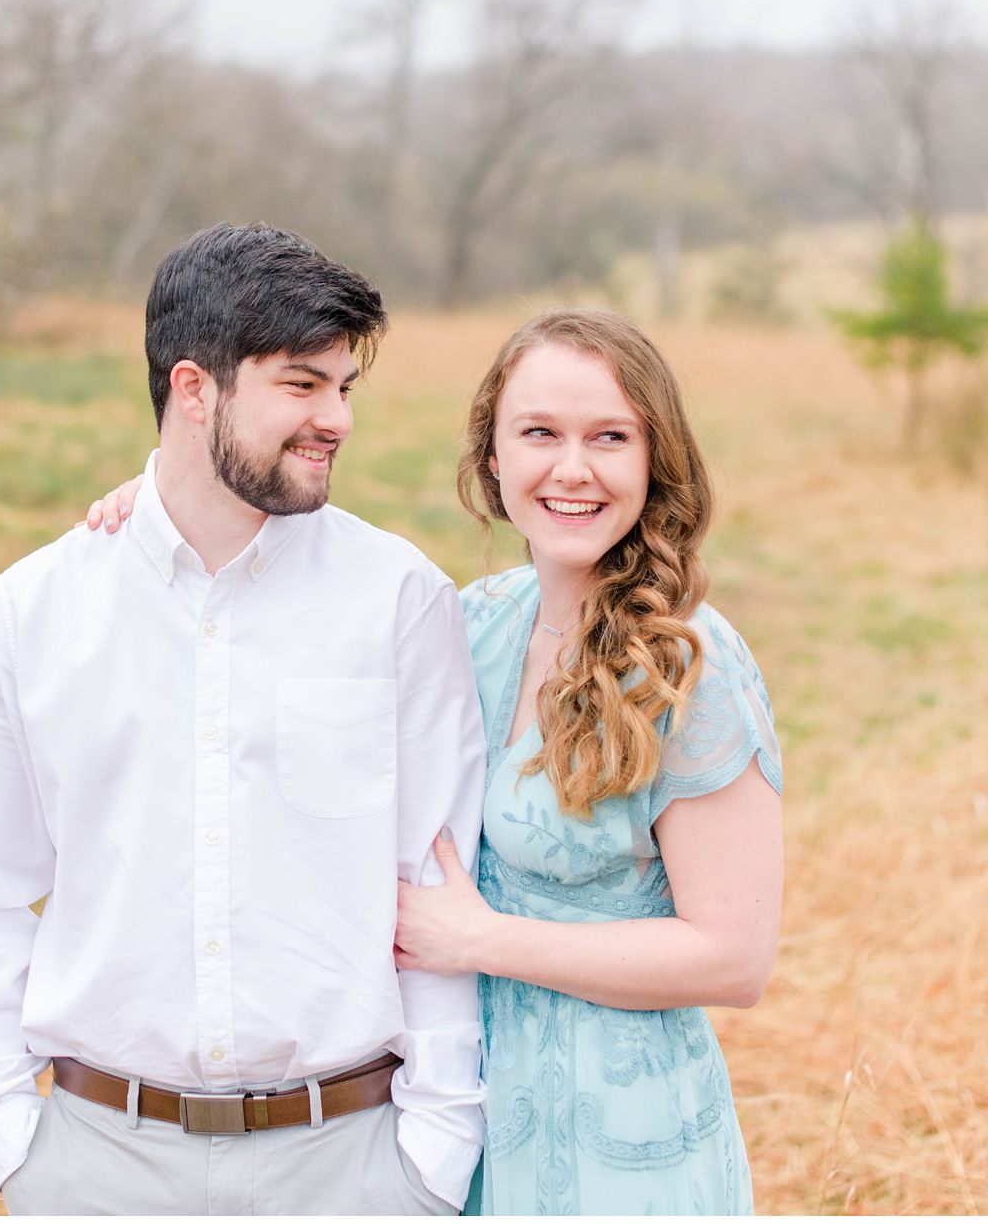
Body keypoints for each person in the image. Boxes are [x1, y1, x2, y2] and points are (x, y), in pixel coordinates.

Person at [89, 307, 783, 1215]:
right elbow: (307, 611)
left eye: (610, 437)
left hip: (623, 1141)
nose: (571, 469)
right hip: (454, 1125)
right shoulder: (474, 622)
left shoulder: (687, 662)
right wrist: (172, 507)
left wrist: (484, 941)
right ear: (492, 458)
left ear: (655, 462)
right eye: (539, 434)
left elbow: (734, 958)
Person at [0, 222, 488, 1216]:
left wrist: (432, 1156)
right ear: (192, 388)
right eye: (302, 385)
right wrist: (14, 1139)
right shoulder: (37, 608)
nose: (337, 417)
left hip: (353, 1162)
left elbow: (437, 884)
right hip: (97, 1163)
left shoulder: (396, 598)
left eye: (345, 387)